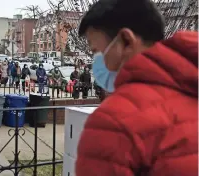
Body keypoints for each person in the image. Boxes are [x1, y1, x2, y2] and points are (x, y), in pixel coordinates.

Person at [75, 0, 198, 176]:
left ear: (126, 40)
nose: (96, 61)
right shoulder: (191, 92)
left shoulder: (113, 121)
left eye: (96, 52)